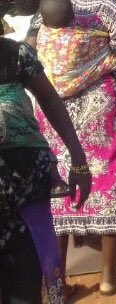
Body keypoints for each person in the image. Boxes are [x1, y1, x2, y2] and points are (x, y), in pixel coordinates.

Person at [26, 0, 116, 296]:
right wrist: (115, 56)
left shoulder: (46, 9)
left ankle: (56, 282)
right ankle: (108, 277)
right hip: (101, 108)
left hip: (53, 110)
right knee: (109, 180)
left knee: (58, 185)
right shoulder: (111, 11)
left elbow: (30, 56)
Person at [0, 38, 92, 304]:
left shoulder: (15, 54)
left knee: (25, 286)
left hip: (25, 184)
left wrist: (78, 160)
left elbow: (50, 99)